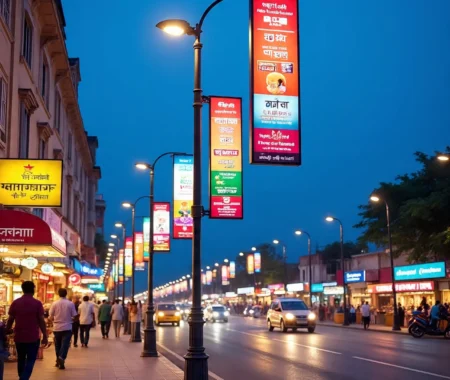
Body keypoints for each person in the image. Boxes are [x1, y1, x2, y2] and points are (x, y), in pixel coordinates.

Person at [6, 281, 48, 380]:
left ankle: (22, 376)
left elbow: (10, 319)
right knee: (31, 359)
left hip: (19, 336)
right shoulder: (37, 303)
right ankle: (23, 378)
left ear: (22, 289)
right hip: (33, 337)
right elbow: (41, 320)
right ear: (33, 289)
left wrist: (7, 330)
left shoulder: (15, 303)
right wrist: (45, 336)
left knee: (21, 359)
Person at [49, 288, 78, 370]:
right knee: (65, 344)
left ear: (58, 294)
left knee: (57, 345)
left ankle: (58, 360)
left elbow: (50, 316)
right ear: (66, 294)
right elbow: (74, 315)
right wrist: (72, 319)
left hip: (57, 327)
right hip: (67, 327)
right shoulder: (70, 304)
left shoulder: (54, 303)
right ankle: (61, 358)